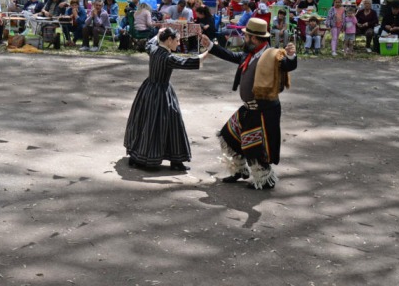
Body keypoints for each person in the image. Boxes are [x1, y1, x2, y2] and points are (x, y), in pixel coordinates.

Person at [201, 18, 297, 190]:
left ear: (254, 38)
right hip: (248, 108)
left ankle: (265, 179)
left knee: (255, 146)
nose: (244, 38)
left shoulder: (273, 55)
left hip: (264, 110)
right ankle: (240, 170)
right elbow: (232, 56)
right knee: (228, 135)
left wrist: (291, 55)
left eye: (246, 36)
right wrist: (211, 47)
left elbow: (288, 65)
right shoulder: (250, 54)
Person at [124, 27, 209, 170]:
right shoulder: (167, 58)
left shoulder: (154, 49)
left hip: (148, 90)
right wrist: (210, 51)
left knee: (146, 121)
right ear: (169, 40)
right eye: (176, 41)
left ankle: (140, 156)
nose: (178, 43)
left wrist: (157, 35)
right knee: (165, 122)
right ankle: (159, 159)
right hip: (161, 92)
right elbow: (189, 62)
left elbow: (149, 43)